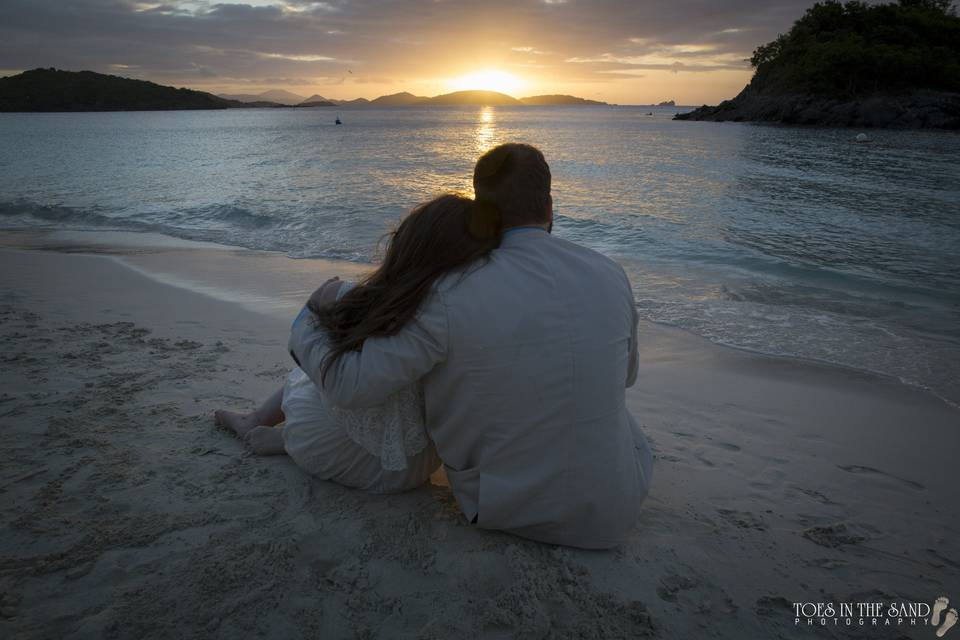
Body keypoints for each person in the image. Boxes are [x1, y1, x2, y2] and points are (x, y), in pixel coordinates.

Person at [298, 143, 654, 548]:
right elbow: (627, 377)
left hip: (505, 507)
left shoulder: (448, 291)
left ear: (481, 213)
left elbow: (352, 386)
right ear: (550, 206)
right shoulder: (611, 274)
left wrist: (305, 321)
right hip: (615, 511)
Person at [215, 194, 499, 493]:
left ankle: (273, 431)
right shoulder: (468, 308)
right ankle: (274, 431)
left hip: (361, 462)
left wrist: (315, 310)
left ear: (410, 245)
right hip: (421, 462)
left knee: (316, 367)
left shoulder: (385, 301)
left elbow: (343, 382)